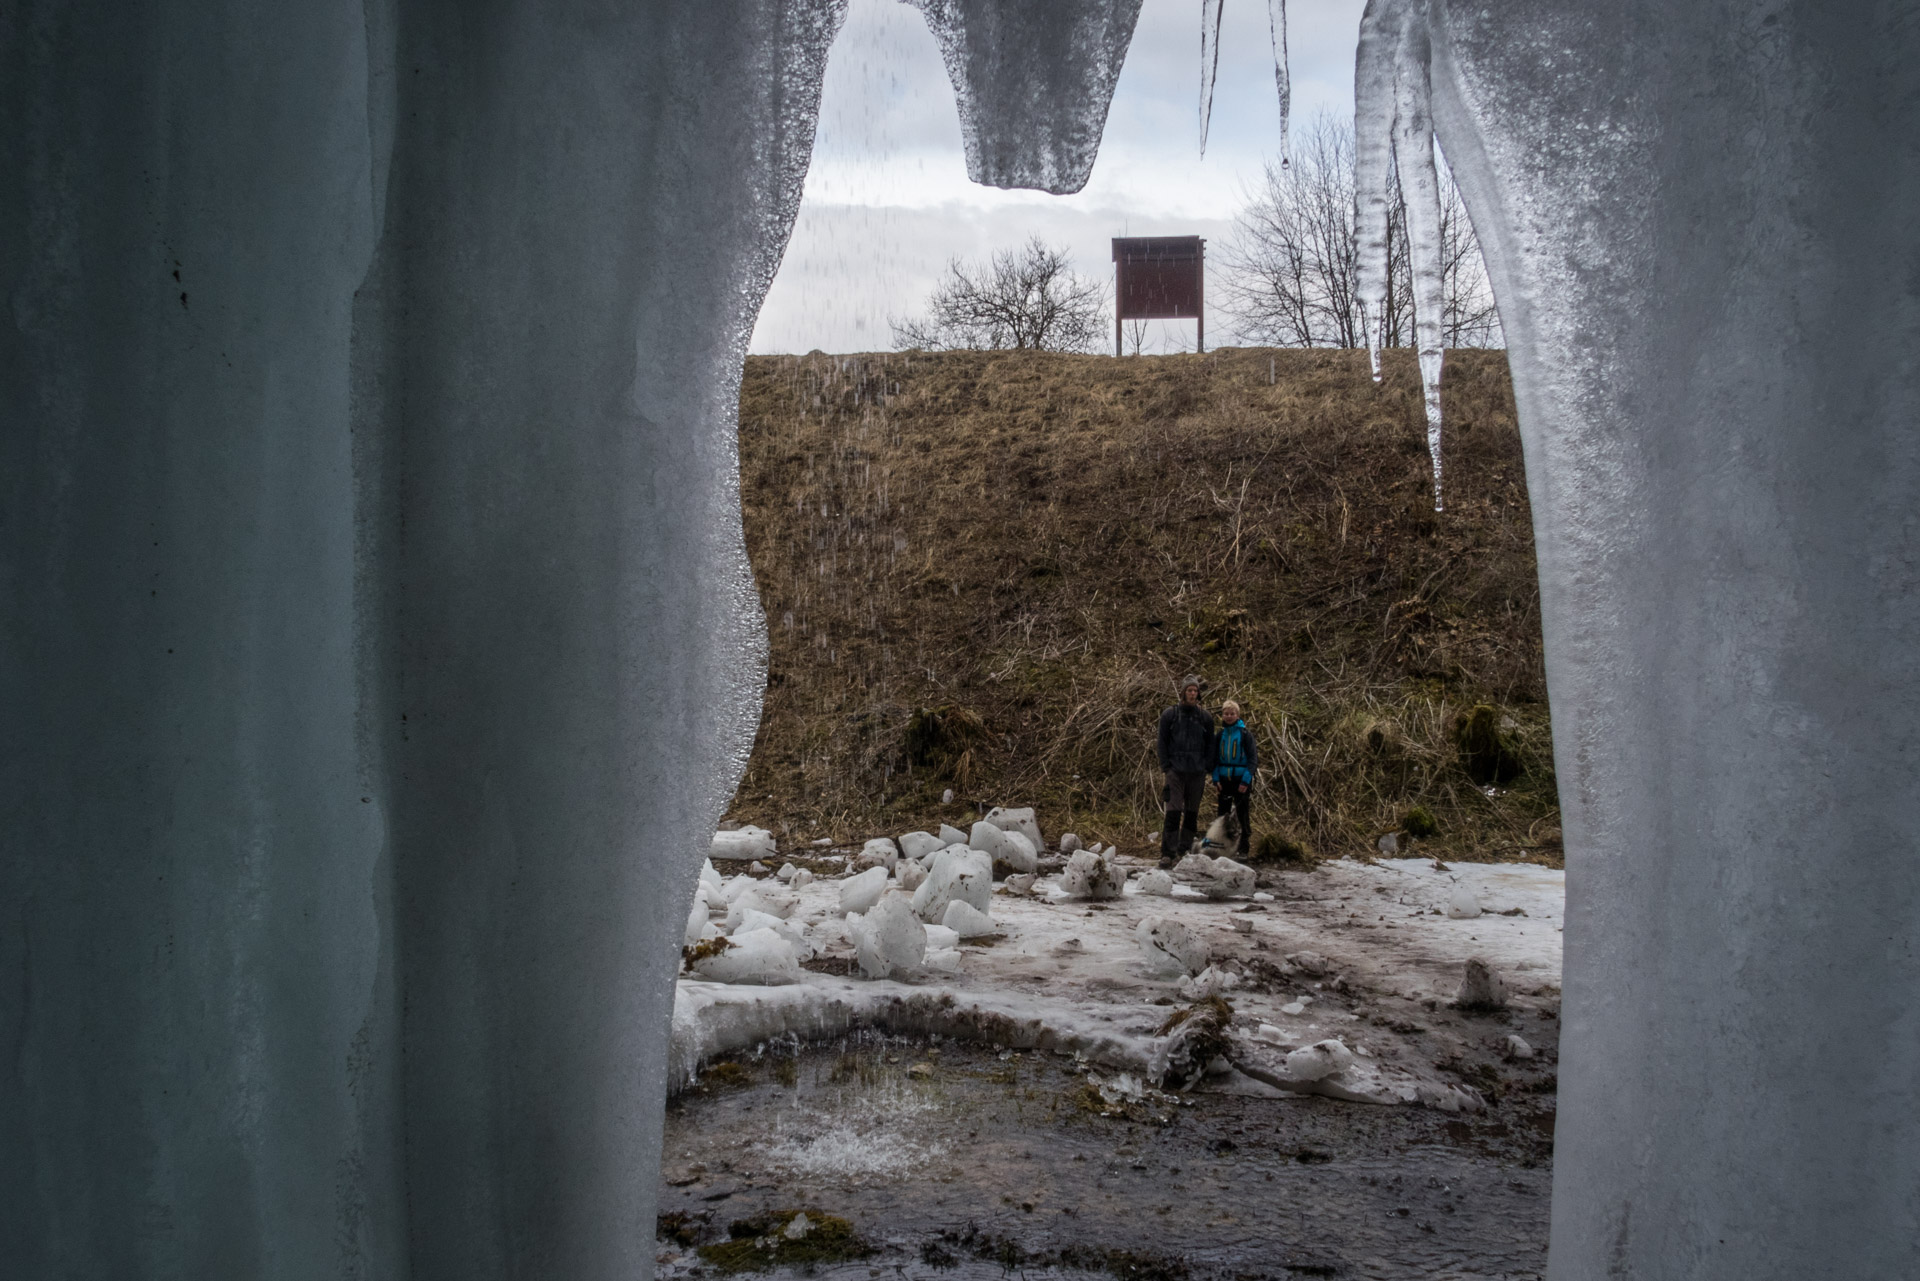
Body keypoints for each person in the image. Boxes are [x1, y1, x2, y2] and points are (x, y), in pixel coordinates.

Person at [1156, 675, 1215, 865]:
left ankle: (1184, 850)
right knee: (1173, 811)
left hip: (1197, 772)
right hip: (1176, 771)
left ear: (1198, 694)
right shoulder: (1170, 715)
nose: (1192, 694)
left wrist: (1207, 766)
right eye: (1189, 690)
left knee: (1192, 813)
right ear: (1183, 693)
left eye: (1195, 691)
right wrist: (1166, 767)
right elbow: (1162, 742)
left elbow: (1210, 745)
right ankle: (1168, 852)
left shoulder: (1205, 717)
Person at [1212, 700, 1257, 859]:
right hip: (1224, 780)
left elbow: (1252, 760)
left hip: (1241, 780)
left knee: (1242, 814)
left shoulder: (1245, 735)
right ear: (1222, 715)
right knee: (1222, 815)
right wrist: (1215, 779)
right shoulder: (1219, 736)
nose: (1229, 716)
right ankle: (1222, 847)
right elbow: (1215, 759)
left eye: (1232, 714)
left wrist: (1245, 781)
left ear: (1237, 715)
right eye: (1226, 714)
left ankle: (1243, 849)